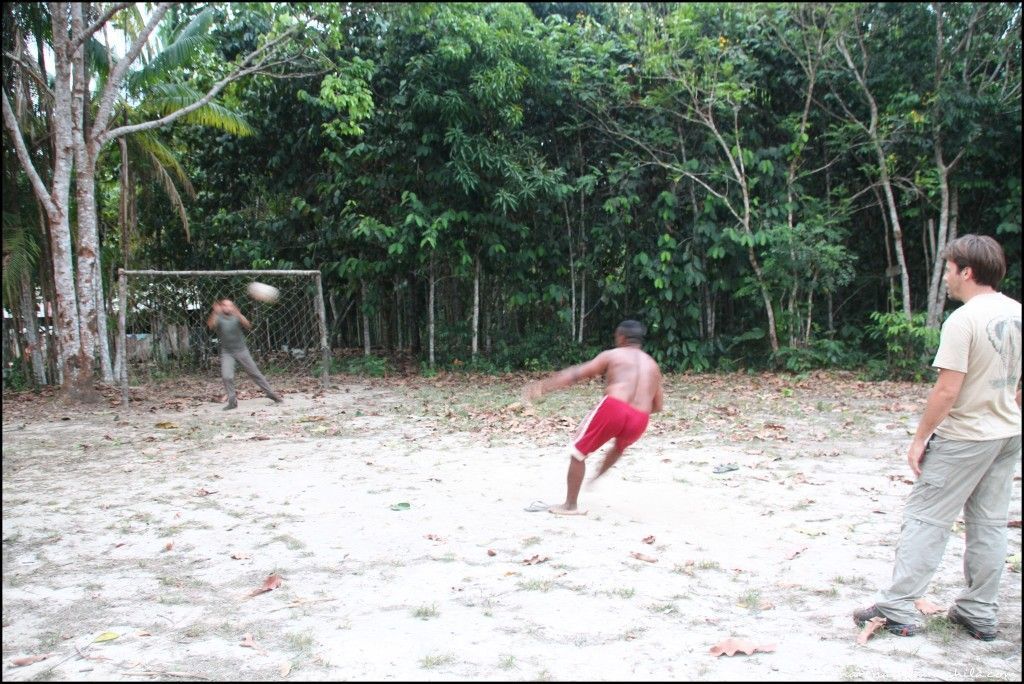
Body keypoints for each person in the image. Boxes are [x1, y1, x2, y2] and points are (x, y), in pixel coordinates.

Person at [853, 234, 1021, 640]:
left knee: (926, 518)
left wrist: (920, 438)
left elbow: (947, 389)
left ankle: (896, 606)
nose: (945, 278)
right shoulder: (1017, 312)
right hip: (1007, 433)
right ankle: (979, 611)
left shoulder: (963, 320)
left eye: (948, 269)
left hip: (965, 435)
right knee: (990, 523)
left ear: (967, 271)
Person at [523, 319, 664, 515]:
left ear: (621, 337)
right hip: (640, 417)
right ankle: (596, 476)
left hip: (614, 406)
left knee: (578, 451)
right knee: (619, 447)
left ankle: (570, 505)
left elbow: (577, 374)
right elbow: (657, 406)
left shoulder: (613, 355)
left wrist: (543, 386)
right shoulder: (653, 365)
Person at [207, 298, 283, 410]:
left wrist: (238, 314)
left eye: (230, 305)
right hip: (227, 352)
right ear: (221, 307)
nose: (227, 308)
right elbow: (210, 325)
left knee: (255, 373)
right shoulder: (218, 317)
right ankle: (232, 402)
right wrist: (214, 312)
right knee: (227, 376)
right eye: (225, 305)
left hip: (241, 350)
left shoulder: (236, 316)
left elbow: (248, 325)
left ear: (233, 307)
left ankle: (271, 394)